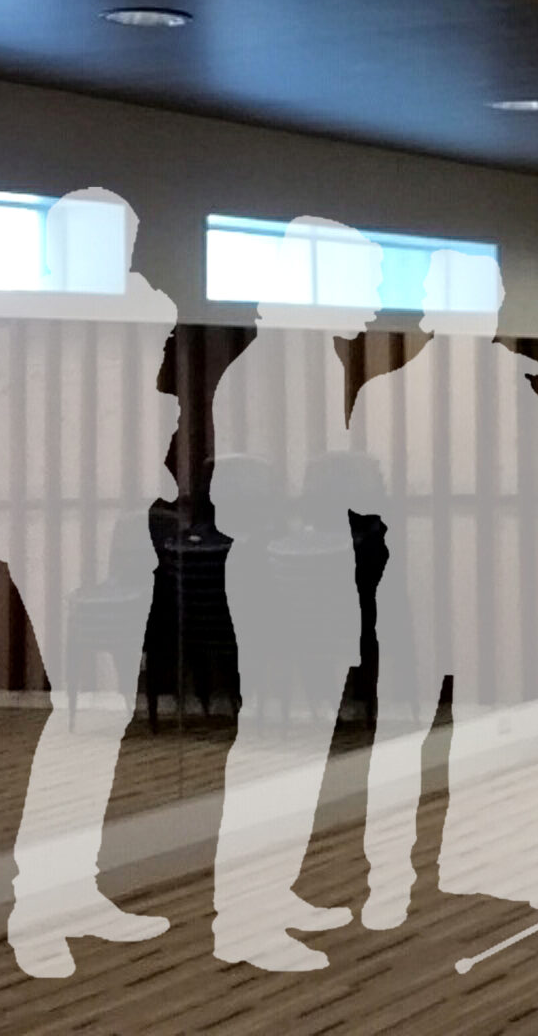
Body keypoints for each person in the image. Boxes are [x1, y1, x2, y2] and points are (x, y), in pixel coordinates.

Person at [0, 187, 180, 979]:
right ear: (61, 243)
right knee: (87, 706)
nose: (121, 257)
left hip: (120, 524)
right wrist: (54, 471)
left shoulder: (140, 309)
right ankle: (37, 904)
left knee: (107, 708)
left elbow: (133, 407)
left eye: (127, 241)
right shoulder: (5, 307)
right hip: (49, 523)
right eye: (106, 242)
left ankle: (72, 888)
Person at [352, 249, 538, 929]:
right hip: (418, 581)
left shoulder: (515, 394)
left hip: (494, 586)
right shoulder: (385, 395)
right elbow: (363, 493)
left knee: (489, 728)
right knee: (403, 734)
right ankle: (388, 879)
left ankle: (483, 862)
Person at [207, 217, 385, 971]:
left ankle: (271, 889)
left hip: (321, 569)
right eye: (362, 286)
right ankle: (242, 919)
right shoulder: (258, 373)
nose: (372, 304)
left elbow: (331, 479)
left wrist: (357, 481)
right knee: (273, 742)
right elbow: (232, 501)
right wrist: (315, 490)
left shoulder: (322, 365)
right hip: (276, 575)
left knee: (306, 741)